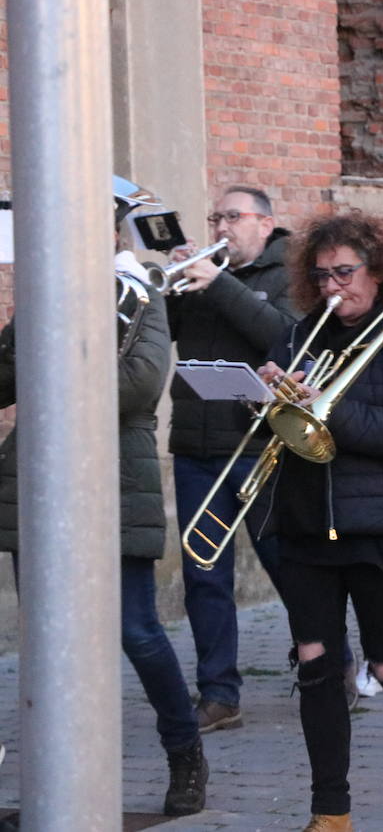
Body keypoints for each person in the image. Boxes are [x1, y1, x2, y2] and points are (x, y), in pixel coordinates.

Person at [0, 179, 209, 817]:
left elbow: (138, 385)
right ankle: (54, 782)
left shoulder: (141, 292)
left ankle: (185, 752)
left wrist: (50, 360)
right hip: (38, 479)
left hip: (116, 478)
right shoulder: (44, 297)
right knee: (45, 640)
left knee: (136, 630)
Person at [256, 214, 383, 831]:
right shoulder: (300, 337)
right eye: (321, 276)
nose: (332, 287)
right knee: (316, 663)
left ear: (378, 271)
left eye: (344, 272)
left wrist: (326, 409)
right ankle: (331, 811)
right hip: (307, 521)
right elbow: (280, 434)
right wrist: (267, 400)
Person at [168, 184, 306, 732]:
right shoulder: (202, 276)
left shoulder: (289, 274)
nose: (221, 227)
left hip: (260, 446)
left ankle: (329, 663)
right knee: (203, 575)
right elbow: (163, 333)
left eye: (232, 216)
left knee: (287, 566)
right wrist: (170, 286)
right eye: (215, 218)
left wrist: (219, 284)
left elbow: (286, 339)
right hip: (197, 447)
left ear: (264, 224)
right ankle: (219, 693)